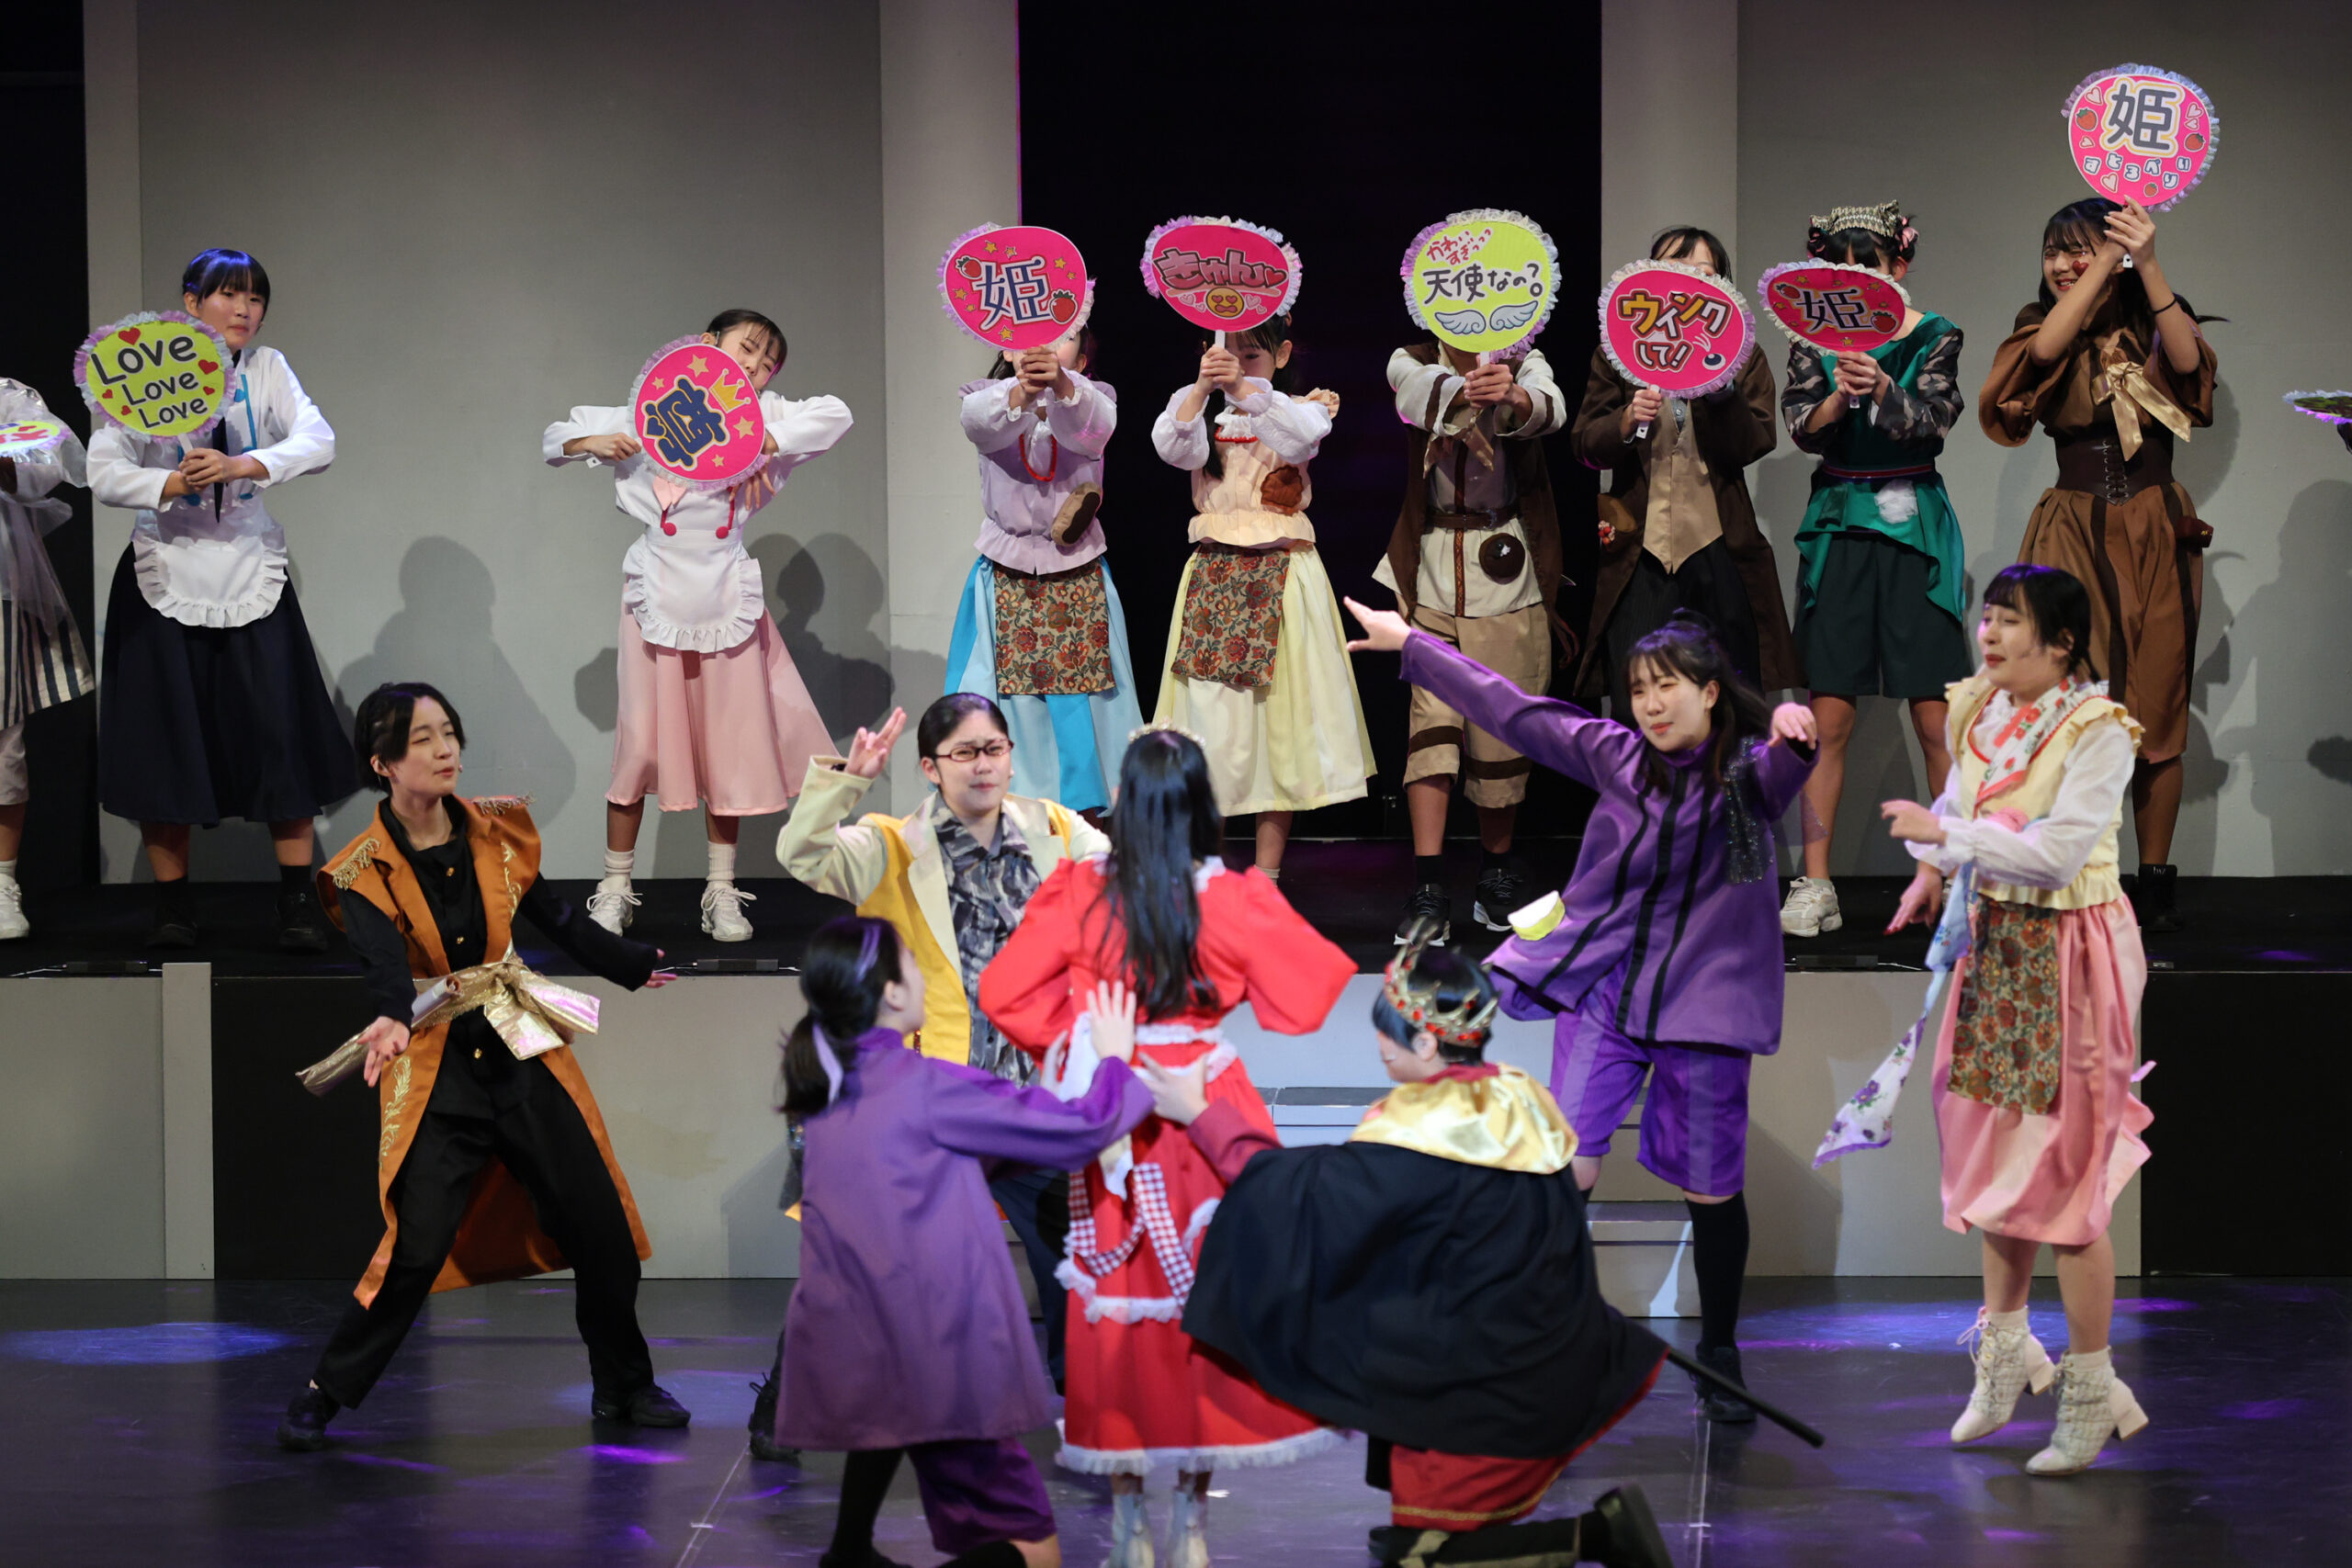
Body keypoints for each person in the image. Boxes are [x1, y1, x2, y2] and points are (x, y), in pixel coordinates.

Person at [1344, 597, 1815, 1421]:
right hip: (1605, 990)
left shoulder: (1747, 779)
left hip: (1702, 1011)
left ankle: (1720, 1350)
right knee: (1569, 1166)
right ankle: (1533, 1335)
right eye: (1639, 690)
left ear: (1710, 693)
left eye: (1668, 686)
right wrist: (1413, 644)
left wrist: (1793, 732)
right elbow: (1514, 711)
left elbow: (1786, 764)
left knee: (1711, 1186)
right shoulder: (1618, 756)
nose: (1652, 704)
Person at [1162, 937, 1674, 1568]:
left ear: (1428, 1043)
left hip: (1481, 1389)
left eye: (1389, 1031)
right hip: (1542, 1357)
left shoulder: (1425, 1135)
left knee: (1422, 1557)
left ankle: (1601, 1534)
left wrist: (1198, 1112)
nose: (1380, 1043)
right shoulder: (1520, 1100)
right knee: (1419, 1539)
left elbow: (1298, 1192)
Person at [276, 682, 687, 1451]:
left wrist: (630, 962)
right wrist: (392, 1017)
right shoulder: (362, 868)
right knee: (416, 1248)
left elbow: (554, 916)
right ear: (382, 762)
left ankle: (624, 1384)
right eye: (422, 739)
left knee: (599, 1225)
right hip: (440, 1070)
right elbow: (383, 967)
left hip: (520, 1050)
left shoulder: (497, 829)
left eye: (449, 732)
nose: (445, 750)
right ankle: (323, 1391)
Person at [979, 728, 1355, 1568]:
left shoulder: (1082, 890)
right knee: (1204, 1309)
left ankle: (1129, 1523)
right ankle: (1189, 1521)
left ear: (1125, 801)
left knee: (1118, 1313)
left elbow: (1004, 992)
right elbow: (1311, 991)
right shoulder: (1233, 896)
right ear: (1201, 804)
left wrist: (1085, 1039)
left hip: (1117, 1108)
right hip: (1204, 1104)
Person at [775, 915, 1154, 1568]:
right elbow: (1083, 1129)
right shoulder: (928, 1085)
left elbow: (932, 1161)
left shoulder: (829, 1092)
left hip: (876, 1346)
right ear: (892, 992)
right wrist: (1118, 1060)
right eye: (913, 965)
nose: (925, 978)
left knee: (894, 1424)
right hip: (941, 1353)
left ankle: (848, 1551)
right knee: (1035, 1551)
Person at [1882, 563, 2153, 1476]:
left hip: (2071, 958)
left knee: (2067, 1183)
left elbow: (2058, 852)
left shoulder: (2097, 729)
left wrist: (1948, 840)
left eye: (2010, 621)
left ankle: (2091, 1390)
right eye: (1987, 617)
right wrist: (1931, 869)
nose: (1988, 634)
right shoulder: (1983, 709)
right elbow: (1956, 805)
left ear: (2062, 643)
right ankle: (2004, 1354)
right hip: (1996, 950)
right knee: (1996, 1158)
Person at [772, 692, 1109, 1424]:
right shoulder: (891, 844)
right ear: (931, 767)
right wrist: (846, 782)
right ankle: (784, 1408)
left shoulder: (1055, 830)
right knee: (871, 1255)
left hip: (1029, 1093)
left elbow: (1123, 884)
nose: (982, 765)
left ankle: (1082, 1397)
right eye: (964, 753)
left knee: (1072, 1247)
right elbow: (802, 854)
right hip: (937, 1095)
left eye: (993, 749)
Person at [544, 309, 851, 943]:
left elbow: (836, 414)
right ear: (710, 344)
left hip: (725, 595)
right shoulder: (656, 409)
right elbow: (556, 436)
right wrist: (590, 445)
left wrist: (769, 439)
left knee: (726, 744)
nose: (756, 366)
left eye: (768, 363)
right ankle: (615, 887)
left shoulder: (760, 417)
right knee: (638, 744)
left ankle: (720, 890)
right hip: (653, 589)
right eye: (748, 347)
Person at [88, 248, 356, 951]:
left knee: (278, 731)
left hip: (250, 568)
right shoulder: (143, 372)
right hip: (163, 570)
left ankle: (296, 900)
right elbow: (102, 468)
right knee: (166, 737)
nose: (244, 309)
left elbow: (319, 440)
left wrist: (244, 463)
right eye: (229, 294)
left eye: (255, 298)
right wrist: (172, 482)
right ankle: (172, 906)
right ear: (190, 302)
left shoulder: (266, 369)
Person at [1980, 197, 2216, 932]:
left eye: (2077, 248)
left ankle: (2156, 884)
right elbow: (2042, 355)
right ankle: (2079, 873)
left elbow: (2189, 366)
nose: (2061, 263)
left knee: (2159, 703)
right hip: (2072, 528)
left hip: (2155, 528)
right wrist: (2105, 260)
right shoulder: (2042, 322)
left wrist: (2147, 260)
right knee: (2068, 705)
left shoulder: (2154, 316)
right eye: (2054, 250)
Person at [1778, 203, 1972, 942]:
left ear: (1900, 264)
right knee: (1828, 715)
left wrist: (1886, 389)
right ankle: (1816, 883)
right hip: (1840, 523)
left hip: (1913, 522)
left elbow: (1936, 422)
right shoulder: (1811, 338)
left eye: (1873, 260)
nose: (1858, 274)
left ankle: (1950, 879)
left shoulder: (1935, 332)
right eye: (1843, 263)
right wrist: (1838, 394)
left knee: (1935, 717)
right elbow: (1801, 427)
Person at [1149, 318, 1374, 879]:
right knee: (1210, 732)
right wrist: (1203, 387)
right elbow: (1172, 449)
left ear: (1283, 353)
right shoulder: (1195, 407)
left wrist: (1243, 387)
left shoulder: (1304, 407)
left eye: (1253, 354)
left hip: (1283, 574)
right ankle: (1207, 873)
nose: (1239, 362)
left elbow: (1299, 439)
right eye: (1229, 352)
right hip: (1216, 577)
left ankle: (1267, 878)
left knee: (1281, 726)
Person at [1377, 329, 1570, 945]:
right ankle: (1429, 885)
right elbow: (1413, 396)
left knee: (1500, 730)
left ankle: (1495, 875)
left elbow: (1551, 409)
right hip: (1432, 571)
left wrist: (1512, 395)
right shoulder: (1411, 358)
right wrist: (1468, 389)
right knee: (1430, 730)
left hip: (1506, 571)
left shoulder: (1525, 361)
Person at [1570, 227, 1799, 721]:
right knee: (1638, 695)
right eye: (1674, 268)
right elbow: (1585, 443)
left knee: (1730, 699)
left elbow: (1756, 441)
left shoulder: (1741, 357)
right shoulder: (1619, 351)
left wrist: (1722, 391)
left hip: (1719, 545)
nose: (1688, 281)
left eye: (1703, 272)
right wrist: (1625, 420)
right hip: (1640, 550)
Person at [944, 326, 1144, 815]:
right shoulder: (984, 397)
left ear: (1083, 353)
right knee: (1003, 708)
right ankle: (1010, 822)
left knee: (1089, 707)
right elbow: (981, 426)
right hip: (1005, 574)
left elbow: (1091, 431)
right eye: (1028, 335)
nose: (1047, 346)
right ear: (1005, 346)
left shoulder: (1092, 398)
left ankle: (1087, 834)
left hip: (1077, 573)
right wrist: (1023, 391)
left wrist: (1058, 385)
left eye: (1064, 336)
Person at [0, 380, 96, 940]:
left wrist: (4, 466)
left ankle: (1, 881)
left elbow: (47, 459)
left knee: (2, 738)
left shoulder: (7, 396)